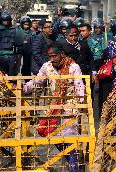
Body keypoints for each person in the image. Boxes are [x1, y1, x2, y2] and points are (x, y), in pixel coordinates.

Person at [23, 44, 84, 172]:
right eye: (50, 56)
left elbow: (79, 86)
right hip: (54, 107)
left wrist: (82, 102)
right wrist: (24, 88)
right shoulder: (47, 66)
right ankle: (73, 163)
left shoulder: (73, 67)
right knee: (48, 132)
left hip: (70, 107)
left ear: (62, 54)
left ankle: (75, 169)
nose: (52, 59)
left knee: (69, 139)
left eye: (54, 56)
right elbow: (37, 81)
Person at [0, 11, 24, 76]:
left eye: (7, 20)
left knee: (12, 75)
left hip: (12, 56)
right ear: (2, 20)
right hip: (1, 56)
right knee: (2, 75)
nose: (6, 21)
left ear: (10, 20)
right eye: (4, 20)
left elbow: (19, 43)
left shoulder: (15, 29)